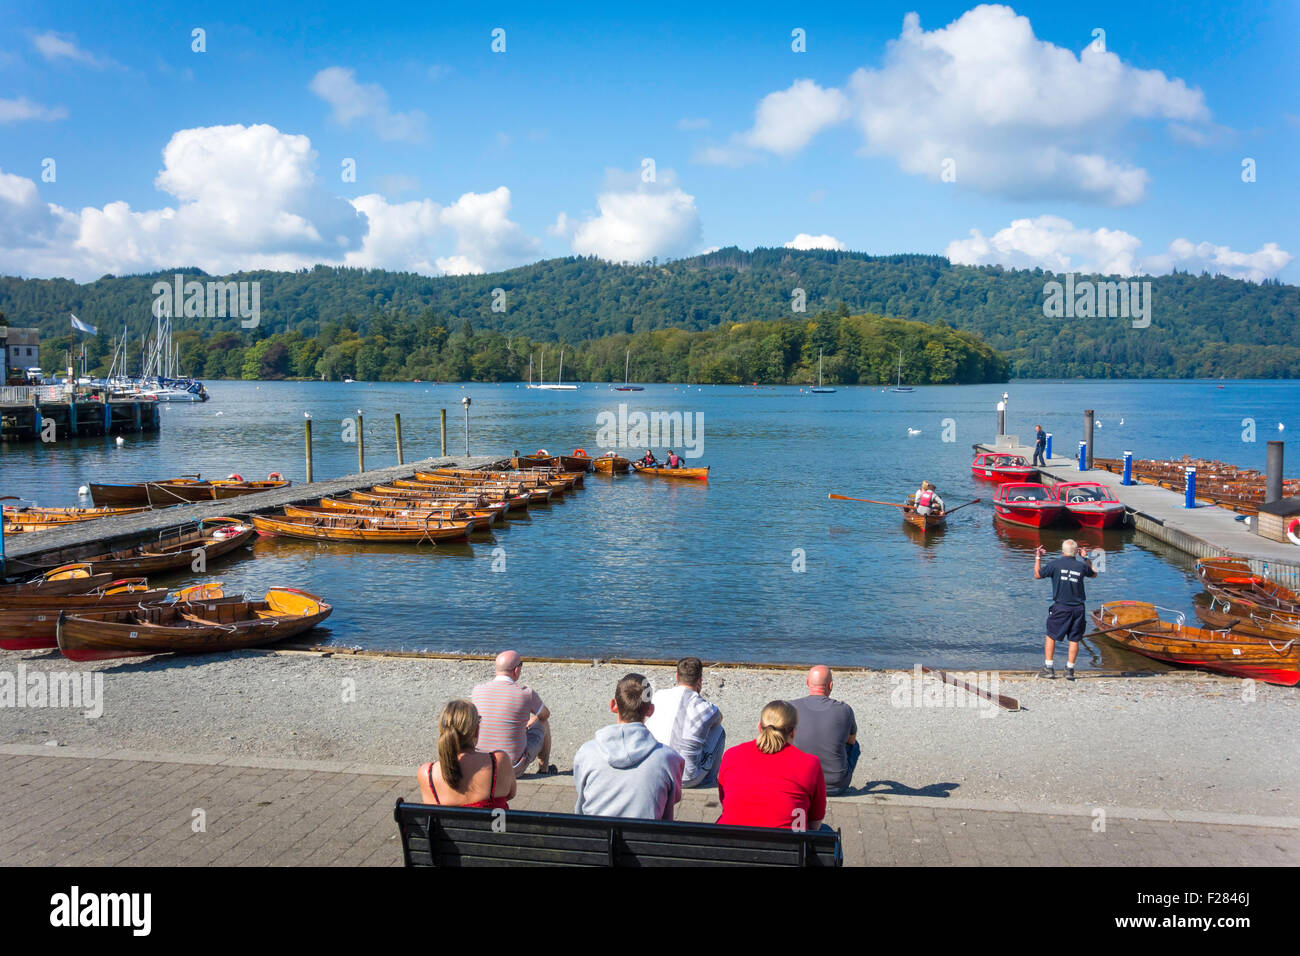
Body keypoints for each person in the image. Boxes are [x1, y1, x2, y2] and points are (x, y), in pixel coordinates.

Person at [573, 673, 685, 820]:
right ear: (650, 710)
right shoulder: (669, 759)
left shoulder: (587, 753)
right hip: (645, 841)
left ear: (613, 705)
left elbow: (581, 803)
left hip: (596, 840)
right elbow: (670, 804)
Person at [717, 700, 827, 830]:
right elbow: (815, 821)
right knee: (826, 831)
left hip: (729, 842)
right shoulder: (810, 764)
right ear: (792, 732)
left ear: (759, 727)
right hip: (789, 846)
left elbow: (724, 800)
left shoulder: (732, 755)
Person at [470, 650, 557, 775]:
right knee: (543, 723)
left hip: (483, 764)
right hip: (512, 767)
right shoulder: (526, 693)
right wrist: (532, 720)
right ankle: (544, 770)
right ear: (516, 670)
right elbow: (545, 715)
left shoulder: (477, 690)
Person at [418, 699, 516, 809]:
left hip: (447, 827)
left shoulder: (427, 773)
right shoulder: (498, 761)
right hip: (493, 826)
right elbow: (511, 793)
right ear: (476, 731)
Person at [644, 657, 725, 788]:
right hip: (685, 779)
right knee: (719, 731)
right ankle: (710, 780)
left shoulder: (659, 695)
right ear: (700, 680)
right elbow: (718, 720)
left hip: (655, 771)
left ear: (677, 676)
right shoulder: (706, 708)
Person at [1034, 540, 1097, 681]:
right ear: (1076, 552)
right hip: (1078, 608)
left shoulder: (1055, 565)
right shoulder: (1081, 566)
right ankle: (1069, 670)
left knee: (1051, 635)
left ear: (1062, 552)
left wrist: (1038, 557)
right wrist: (1086, 557)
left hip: (1061, 607)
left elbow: (1037, 575)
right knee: (1074, 639)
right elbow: (1093, 574)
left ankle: (1049, 668)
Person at [790, 666, 858, 796]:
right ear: (831, 685)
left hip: (799, 784)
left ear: (807, 683)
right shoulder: (845, 710)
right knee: (854, 745)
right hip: (835, 787)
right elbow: (851, 741)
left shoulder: (790, 707)